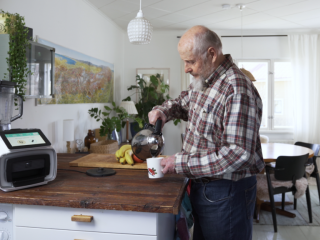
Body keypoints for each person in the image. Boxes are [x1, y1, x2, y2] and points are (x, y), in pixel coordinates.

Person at [148, 25, 265, 240]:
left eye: (190, 61)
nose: (186, 68)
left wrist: (179, 163)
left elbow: (237, 153)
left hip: (228, 193)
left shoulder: (237, 88)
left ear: (211, 54)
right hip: (206, 189)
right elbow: (184, 102)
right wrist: (163, 110)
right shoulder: (204, 81)